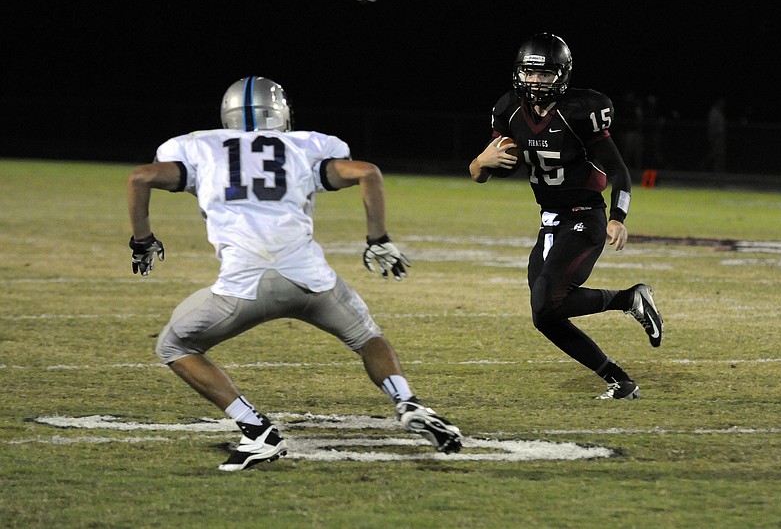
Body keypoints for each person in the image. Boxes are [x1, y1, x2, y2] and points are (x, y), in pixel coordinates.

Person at [127, 76, 462, 471]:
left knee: (173, 346)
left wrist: (143, 240)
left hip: (243, 287)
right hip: (312, 281)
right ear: (281, 114)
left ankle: (257, 431)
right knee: (367, 336)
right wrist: (378, 239)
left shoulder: (200, 147)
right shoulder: (304, 147)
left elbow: (140, 177)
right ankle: (406, 401)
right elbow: (367, 172)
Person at [468, 33, 663, 400]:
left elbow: (619, 171)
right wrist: (480, 161)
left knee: (547, 300)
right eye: (529, 73)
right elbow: (480, 173)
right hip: (550, 220)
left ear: (561, 75)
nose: (536, 82)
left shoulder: (580, 111)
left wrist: (618, 217)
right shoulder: (509, 109)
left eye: (544, 75)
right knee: (544, 315)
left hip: (586, 216)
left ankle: (630, 300)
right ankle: (620, 377)